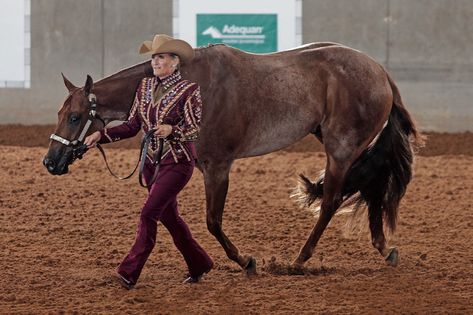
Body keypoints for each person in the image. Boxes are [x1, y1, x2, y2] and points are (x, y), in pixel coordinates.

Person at [84, 34, 213, 288]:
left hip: (178, 163)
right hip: (150, 164)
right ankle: (199, 263)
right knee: (170, 219)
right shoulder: (144, 87)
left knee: (148, 214)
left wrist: (172, 131)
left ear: (175, 62)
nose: (155, 62)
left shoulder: (189, 91)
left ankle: (128, 272)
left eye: (161, 57)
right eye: (154, 57)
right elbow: (133, 126)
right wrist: (101, 135)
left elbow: (195, 129)